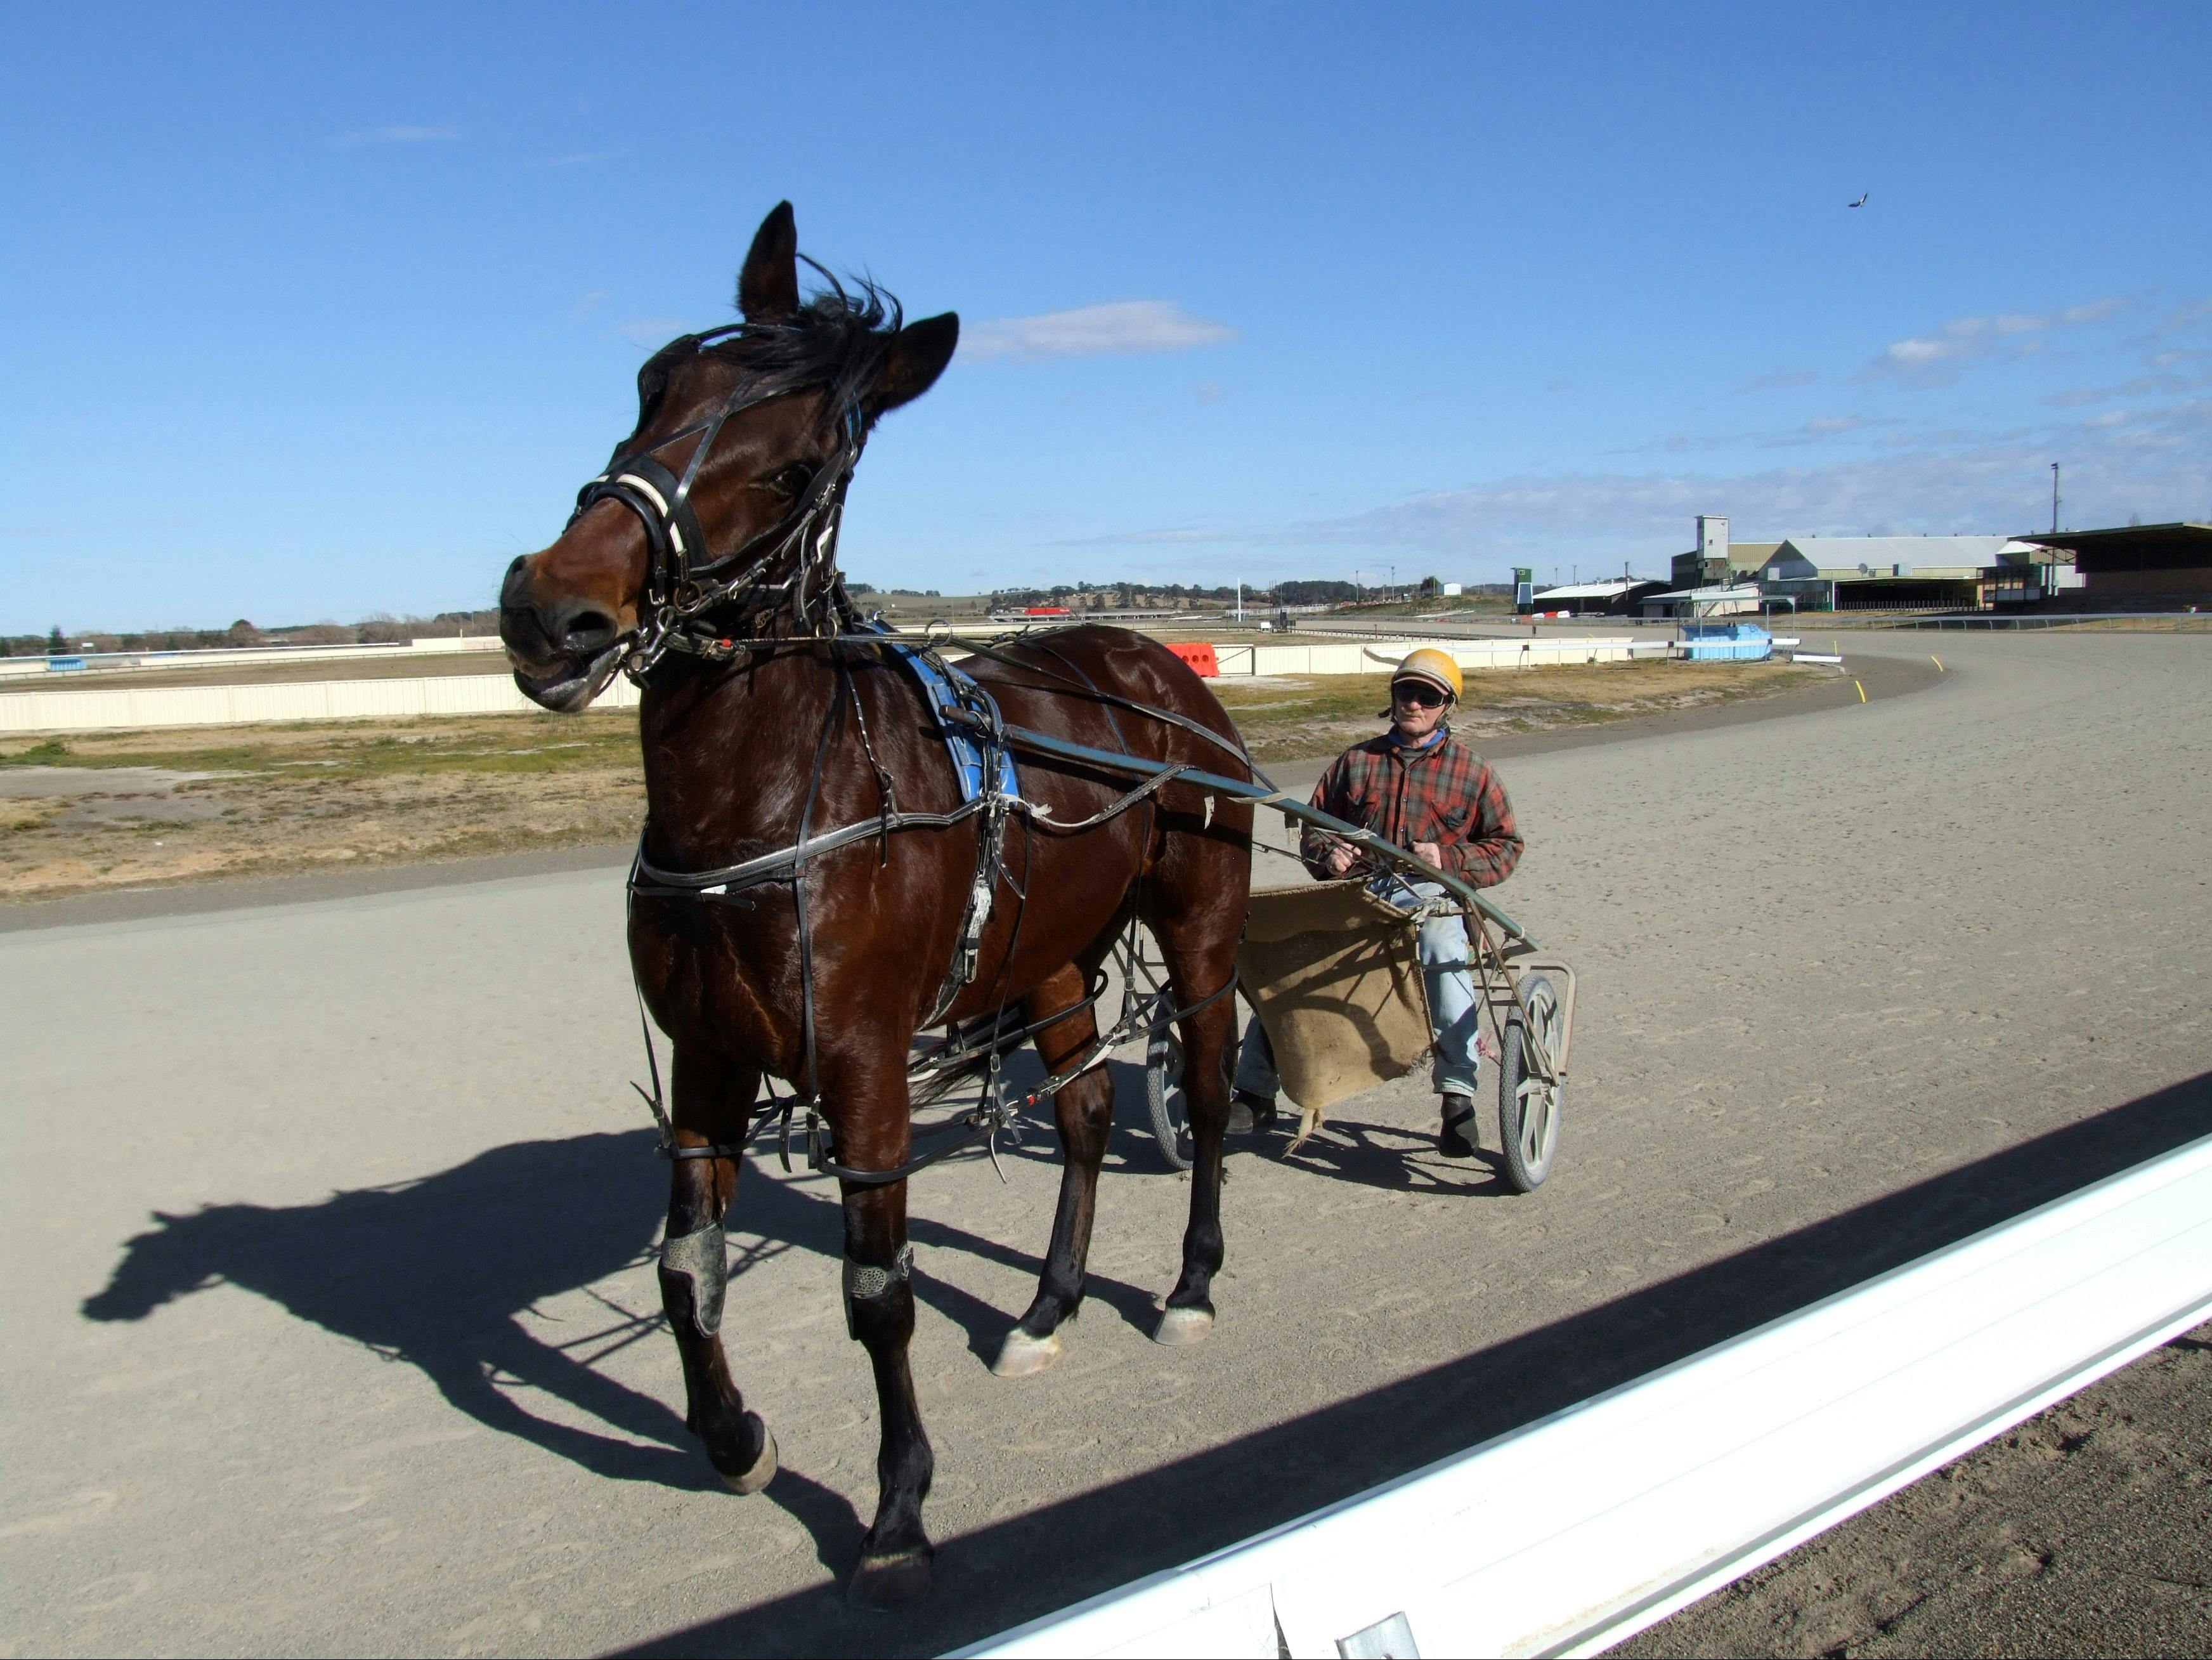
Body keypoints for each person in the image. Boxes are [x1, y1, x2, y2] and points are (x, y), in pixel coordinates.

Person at [1233, 648, 1523, 1156]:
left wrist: (1447, 857)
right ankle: (1255, 1090)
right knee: (1289, 952)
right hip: (1358, 895)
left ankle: (1457, 1095)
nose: (1413, 703)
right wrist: (1330, 852)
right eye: (1405, 692)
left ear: (1447, 705)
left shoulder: (1473, 772)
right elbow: (1314, 826)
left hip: (1433, 898)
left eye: (1427, 696)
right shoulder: (1356, 761)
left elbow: (1506, 847)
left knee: (1439, 944)